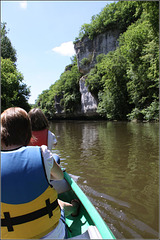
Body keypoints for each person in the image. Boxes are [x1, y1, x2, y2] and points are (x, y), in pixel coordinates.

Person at [1, 107, 79, 239]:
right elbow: (59, 176)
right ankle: (73, 207)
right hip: (53, 234)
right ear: (28, 133)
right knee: (57, 202)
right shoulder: (42, 153)